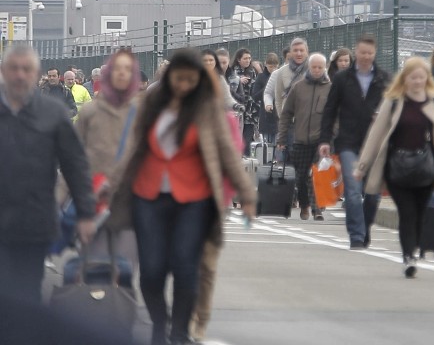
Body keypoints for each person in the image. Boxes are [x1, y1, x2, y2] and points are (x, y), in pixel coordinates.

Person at [107, 49, 257, 345]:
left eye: (191, 80)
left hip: (193, 199)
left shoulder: (206, 106)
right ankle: (158, 324)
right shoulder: (149, 103)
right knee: (151, 271)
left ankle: (178, 332)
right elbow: (132, 149)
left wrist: (247, 193)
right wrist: (111, 186)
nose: (184, 85)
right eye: (179, 79)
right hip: (149, 196)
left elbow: (228, 151)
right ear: (169, 77)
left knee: (186, 266)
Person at [0, 44, 96, 305]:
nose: (20, 75)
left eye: (26, 69)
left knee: (27, 292)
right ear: (3, 71)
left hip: (34, 220)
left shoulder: (52, 114)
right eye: (14, 69)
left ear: (36, 74)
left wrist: (86, 213)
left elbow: (75, 165)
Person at [355, 57, 434, 277]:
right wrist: (362, 166)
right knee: (407, 213)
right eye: (412, 77)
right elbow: (375, 135)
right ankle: (409, 256)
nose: (417, 81)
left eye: (421, 77)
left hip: (426, 170)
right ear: (405, 78)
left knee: (420, 213)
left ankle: (412, 248)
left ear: (427, 79)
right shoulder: (394, 101)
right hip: (397, 168)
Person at [319, 34, 390, 249]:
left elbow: (395, 109)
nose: (366, 57)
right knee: (352, 190)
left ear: (374, 53)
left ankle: (365, 226)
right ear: (355, 53)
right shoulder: (342, 79)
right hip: (348, 141)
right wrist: (325, 139)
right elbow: (330, 110)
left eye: (369, 53)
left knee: (372, 195)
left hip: (375, 143)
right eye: (362, 53)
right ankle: (357, 236)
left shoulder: (384, 79)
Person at [74, 50, 141, 263]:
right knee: (95, 269)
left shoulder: (141, 112)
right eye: (117, 69)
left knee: (124, 271)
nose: (122, 74)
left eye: (127, 69)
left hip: (129, 203)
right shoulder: (90, 111)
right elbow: (72, 159)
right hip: (93, 200)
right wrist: (59, 200)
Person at [276, 53, 331, 221]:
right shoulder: (298, 87)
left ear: (324, 68)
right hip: (300, 139)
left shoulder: (331, 88)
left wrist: (331, 135)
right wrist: (282, 138)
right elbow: (286, 114)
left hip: (321, 140)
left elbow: (337, 115)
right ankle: (304, 204)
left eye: (320, 67)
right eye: (313, 67)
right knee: (300, 177)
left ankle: (317, 209)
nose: (316, 70)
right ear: (309, 67)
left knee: (315, 174)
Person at [264, 38, 309, 117]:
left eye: (301, 50)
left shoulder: (316, 69)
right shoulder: (280, 72)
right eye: (295, 51)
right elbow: (277, 98)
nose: (299, 54)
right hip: (290, 119)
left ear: (307, 52)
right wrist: (282, 118)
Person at [232, 48, 259, 151]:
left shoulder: (253, 71)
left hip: (250, 111)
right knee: (237, 136)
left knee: (247, 138)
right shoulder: (233, 71)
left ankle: (247, 158)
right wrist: (238, 80)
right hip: (237, 109)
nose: (248, 60)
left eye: (249, 58)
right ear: (239, 59)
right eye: (245, 58)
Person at [252, 52, 280, 147]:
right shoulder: (261, 77)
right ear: (266, 64)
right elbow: (255, 96)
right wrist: (268, 87)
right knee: (267, 146)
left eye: (275, 66)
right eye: (270, 66)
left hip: (278, 114)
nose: (273, 69)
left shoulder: (280, 76)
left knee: (278, 145)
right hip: (266, 115)